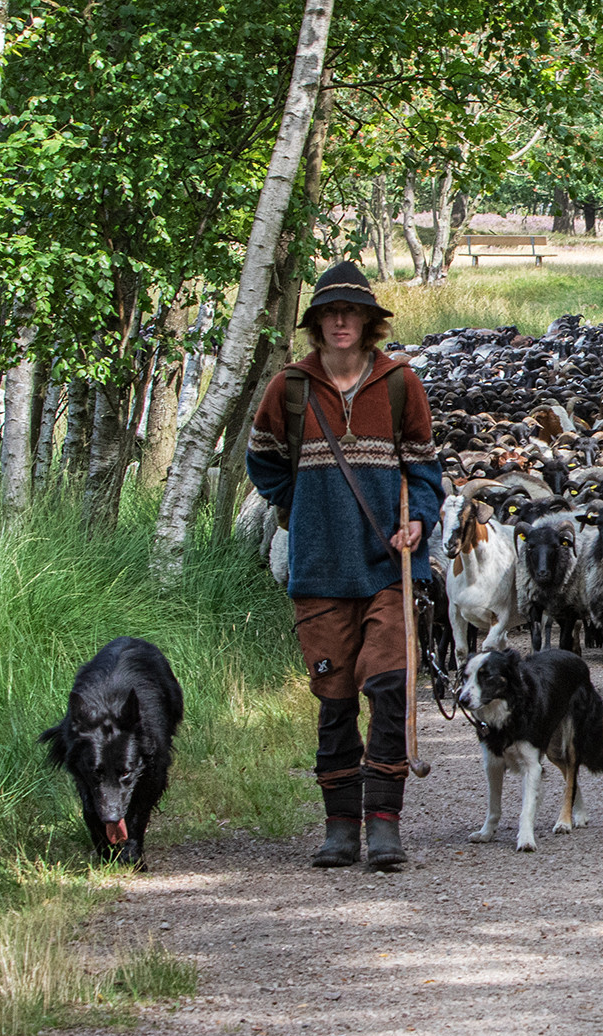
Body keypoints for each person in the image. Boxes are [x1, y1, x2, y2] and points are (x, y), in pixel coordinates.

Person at [246, 261, 444, 870]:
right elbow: (265, 463)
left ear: (368, 322)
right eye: (330, 313)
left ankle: (384, 823)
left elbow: (423, 468)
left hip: (388, 563)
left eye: (351, 313)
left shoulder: (400, 384)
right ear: (316, 323)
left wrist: (421, 519)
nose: (340, 322)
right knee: (333, 698)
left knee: (388, 689)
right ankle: (339, 827)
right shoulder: (291, 389)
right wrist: (301, 508)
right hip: (320, 569)